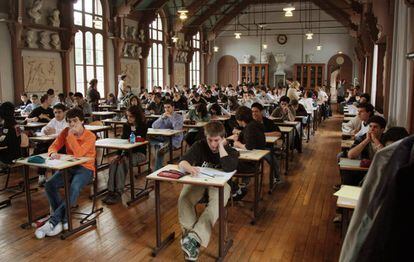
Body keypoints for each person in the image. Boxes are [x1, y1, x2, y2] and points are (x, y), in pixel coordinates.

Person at [178, 121, 239, 261]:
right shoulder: (199, 145)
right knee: (184, 198)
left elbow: (229, 167)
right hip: (200, 181)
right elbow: (183, 161)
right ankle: (191, 242)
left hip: (221, 185)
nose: (212, 144)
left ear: (223, 138)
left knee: (215, 205)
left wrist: (222, 147)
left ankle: (193, 238)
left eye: (216, 140)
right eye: (210, 140)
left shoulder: (231, 151)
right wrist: (189, 168)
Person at [34, 108, 96, 239]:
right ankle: (64, 219)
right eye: (69, 122)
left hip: (86, 168)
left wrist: (71, 136)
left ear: (82, 121)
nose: (72, 124)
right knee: (49, 184)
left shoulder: (90, 136)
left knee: (74, 187)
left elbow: (79, 154)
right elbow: (53, 146)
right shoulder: (66, 132)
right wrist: (53, 153)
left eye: (75, 121)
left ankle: (53, 221)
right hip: (69, 167)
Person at [103, 105, 148, 205]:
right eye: (127, 116)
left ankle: (118, 192)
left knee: (123, 163)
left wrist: (133, 134)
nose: (129, 118)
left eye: (131, 116)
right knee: (115, 162)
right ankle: (110, 191)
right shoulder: (126, 125)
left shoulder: (143, 126)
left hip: (139, 153)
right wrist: (118, 155)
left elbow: (140, 143)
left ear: (137, 116)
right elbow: (123, 142)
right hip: (127, 153)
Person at [231, 106, 266, 200]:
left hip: (251, 164)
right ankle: (238, 189)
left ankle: (236, 190)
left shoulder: (250, 127)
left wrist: (237, 143)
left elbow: (249, 147)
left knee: (224, 165)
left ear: (240, 119)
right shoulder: (254, 124)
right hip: (255, 161)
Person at [34, 103, 68, 186]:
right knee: (39, 150)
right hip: (53, 143)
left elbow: (66, 131)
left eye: (59, 112)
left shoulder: (67, 120)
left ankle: (60, 176)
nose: (57, 114)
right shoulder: (53, 120)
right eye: (55, 112)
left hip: (64, 144)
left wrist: (55, 131)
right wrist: (45, 130)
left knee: (56, 151)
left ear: (64, 112)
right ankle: (41, 175)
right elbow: (44, 128)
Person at [251, 103, 282, 184]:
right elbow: (236, 130)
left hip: (265, 148)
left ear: (261, 112)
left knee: (272, 160)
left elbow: (278, 133)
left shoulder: (268, 122)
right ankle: (243, 184)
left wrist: (262, 134)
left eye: (256, 111)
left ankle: (277, 177)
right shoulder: (250, 122)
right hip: (252, 147)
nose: (254, 113)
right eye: (252, 111)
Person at [151, 100, 183, 170]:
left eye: (168, 107)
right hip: (163, 138)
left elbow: (177, 129)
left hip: (174, 140)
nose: (166, 109)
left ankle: (157, 171)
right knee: (148, 140)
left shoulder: (178, 116)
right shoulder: (163, 115)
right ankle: (161, 145)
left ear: (173, 107)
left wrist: (171, 117)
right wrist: (161, 118)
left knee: (160, 152)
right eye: (165, 107)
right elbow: (154, 126)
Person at [0, 102, 23, 166]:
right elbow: (19, 139)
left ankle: (3, 167)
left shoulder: (7, 125)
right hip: (18, 154)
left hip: (10, 156)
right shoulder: (16, 123)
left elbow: (4, 142)